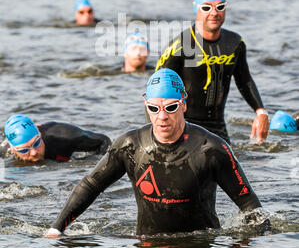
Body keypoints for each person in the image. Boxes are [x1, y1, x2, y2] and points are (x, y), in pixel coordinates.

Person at [45, 68, 269, 238]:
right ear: (146, 104)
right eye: (154, 108)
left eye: (170, 107)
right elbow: (91, 185)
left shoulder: (211, 149)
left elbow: (249, 205)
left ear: (183, 104)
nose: (162, 116)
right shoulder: (129, 146)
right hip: (148, 246)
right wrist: (57, 229)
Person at [155, 0, 269, 144]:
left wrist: (261, 112)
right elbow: (156, 92)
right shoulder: (181, 45)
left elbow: (245, 80)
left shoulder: (235, 43)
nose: (214, 13)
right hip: (185, 126)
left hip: (218, 127)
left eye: (220, 7)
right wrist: (159, 137)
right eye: (207, 8)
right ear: (197, 10)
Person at [1, 114, 111, 162]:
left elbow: (104, 141)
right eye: (25, 150)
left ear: (40, 135)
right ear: (13, 149)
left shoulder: (65, 136)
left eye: (36, 143)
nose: (34, 152)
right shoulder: (4, 152)